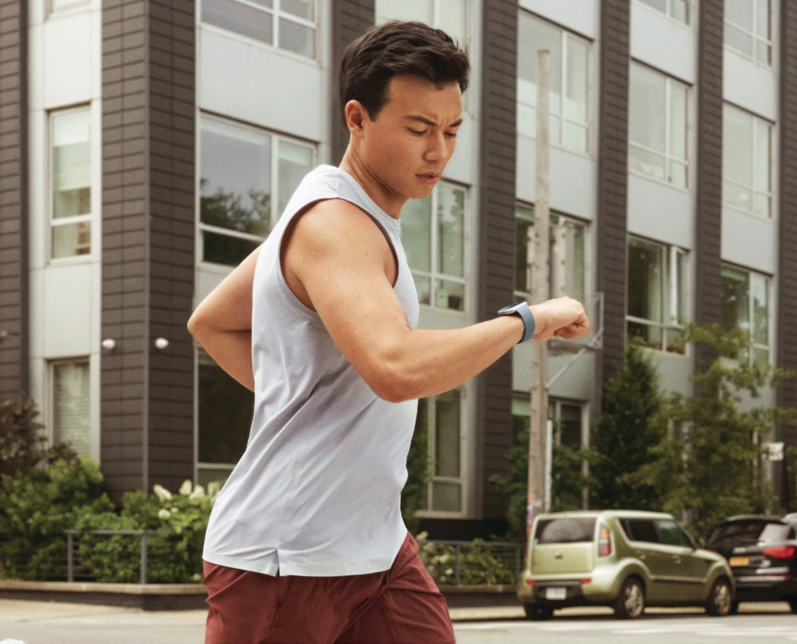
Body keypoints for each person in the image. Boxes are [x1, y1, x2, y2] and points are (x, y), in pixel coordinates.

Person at [187, 20, 588, 644]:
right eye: (419, 129)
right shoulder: (333, 226)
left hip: (375, 549)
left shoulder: (341, 216)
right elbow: (396, 368)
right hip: (286, 557)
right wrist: (525, 321)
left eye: (452, 130)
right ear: (358, 118)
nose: (440, 152)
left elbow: (212, 319)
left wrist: (307, 398)